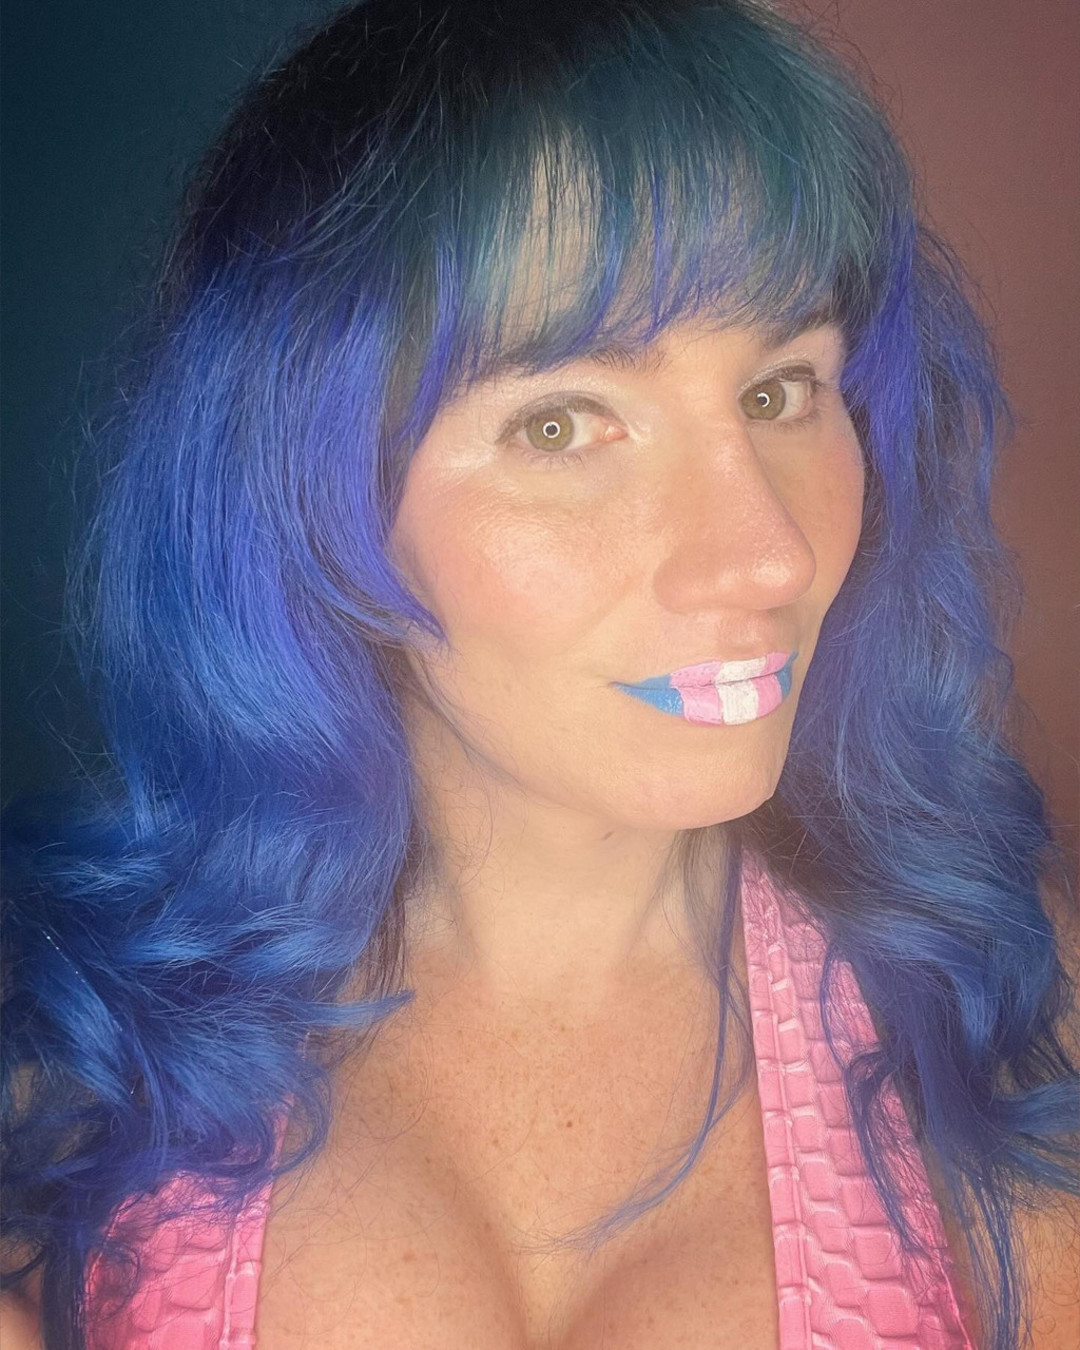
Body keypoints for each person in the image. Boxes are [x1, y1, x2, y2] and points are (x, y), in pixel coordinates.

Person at [2, 1, 1078, 1347]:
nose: (769, 554)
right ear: (306, 498)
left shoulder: (1011, 1024)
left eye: (779, 392)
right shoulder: (64, 1058)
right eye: (562, 424)